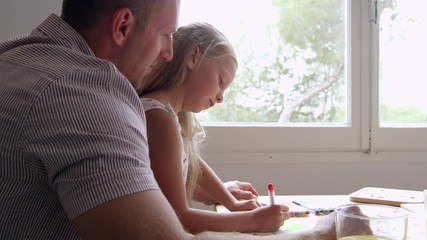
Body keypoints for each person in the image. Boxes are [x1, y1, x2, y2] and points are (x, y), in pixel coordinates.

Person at [0, 0, 336, 239]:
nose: (167, 53)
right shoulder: (84, 93)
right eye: (165, 35)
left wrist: (228, 199)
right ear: (122, 26)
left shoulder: (14, 58)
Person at [139, 22, 290, 233]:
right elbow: (178, 217)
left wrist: (231, 202)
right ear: (192, 57)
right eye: (220, 81)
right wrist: (253, 220)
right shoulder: (158, 119)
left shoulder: (168, 117)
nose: (220, 98)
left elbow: (191, 164)